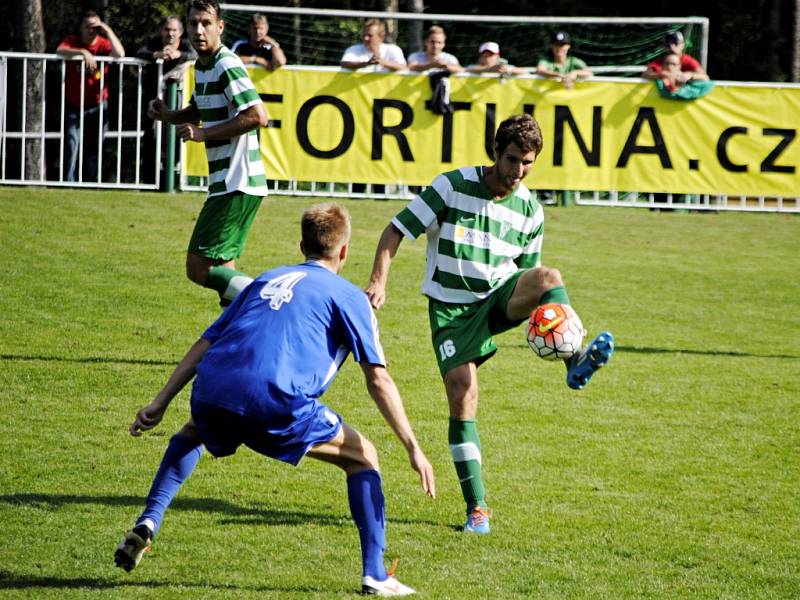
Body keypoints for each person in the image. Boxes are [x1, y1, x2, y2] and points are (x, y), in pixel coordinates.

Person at [113, 202, 435, 597]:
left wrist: (159, 402)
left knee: (195, 430)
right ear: (345, 251)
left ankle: (149, 521)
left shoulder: (265, 279)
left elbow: (205, 343)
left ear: (302, 245)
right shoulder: (351, 298)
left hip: (213, 390)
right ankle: (375, 574)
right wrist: (413, 447)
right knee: (363, 455)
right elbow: (378, 380)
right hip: (275, 401)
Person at [365, 114, 614, 535]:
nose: (519, 171)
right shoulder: (451, 185)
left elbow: (529, 280)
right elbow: (395, 230)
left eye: (528, 163)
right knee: (464, 397)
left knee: (548, 278)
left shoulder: (531, 209)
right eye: (513, 159)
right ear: (495, 152)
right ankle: (477, 508)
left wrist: (548, 327)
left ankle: (574, 358)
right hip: (452, 311)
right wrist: (378, 281)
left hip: (497, 297)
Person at [146, 0, 269, 305]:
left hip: (236, 182)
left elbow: (257, 116)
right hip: (230, 183)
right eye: (193, 24)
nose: (198, 31)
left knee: (198, 267)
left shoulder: (226, 63)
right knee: (225, 274)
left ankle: (267, 300)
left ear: (220, 27)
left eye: (206, 23)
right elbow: (198, 111)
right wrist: (168, 115)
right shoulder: (203, 65)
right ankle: (234, 346)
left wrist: (202, 134)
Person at [56, 10, 125, 182]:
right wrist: (83, 53)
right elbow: (60, 51)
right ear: (81, 28)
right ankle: (68, 182)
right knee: (72, 143)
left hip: (97, 103)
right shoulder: (73, 41)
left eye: (95, 27)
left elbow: (120, 54)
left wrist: (107, 30)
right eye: (87, 26)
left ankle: (89, 182)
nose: (91, 30)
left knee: (95, 146)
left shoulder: (103, 43)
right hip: (73, 102)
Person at [136, 16, 197, 183]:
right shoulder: (154, 43)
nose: (170, 34)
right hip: (154, 100)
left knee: (177, 139)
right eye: (167, 29)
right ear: (161, 31)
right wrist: (157, 54)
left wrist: (179, 55)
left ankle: (173, 181)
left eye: (174, 30)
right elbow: (139, 52)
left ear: (181, 32)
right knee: (150, 138)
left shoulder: (186, 45)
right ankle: (149, 181)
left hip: (178, 104)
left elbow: (195, 55)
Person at [340, 19, 406, 73]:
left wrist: (382, 62)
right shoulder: (353, 49)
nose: (366, 38)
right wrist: (366, 64)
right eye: (364, 35)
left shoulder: (393, 49)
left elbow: (403, 67)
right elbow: (344, 64)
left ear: (381, 36)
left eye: (370, 35)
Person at [643, 31, 708, 84]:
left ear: (682, 45)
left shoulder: (687, 60)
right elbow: (646, 75)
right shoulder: (660, 61)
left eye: (675, 43)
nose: (672, 47)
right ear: (664, 47)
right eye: (668, 44)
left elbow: (705, 77)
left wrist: (690, 75)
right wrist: (662, 75)